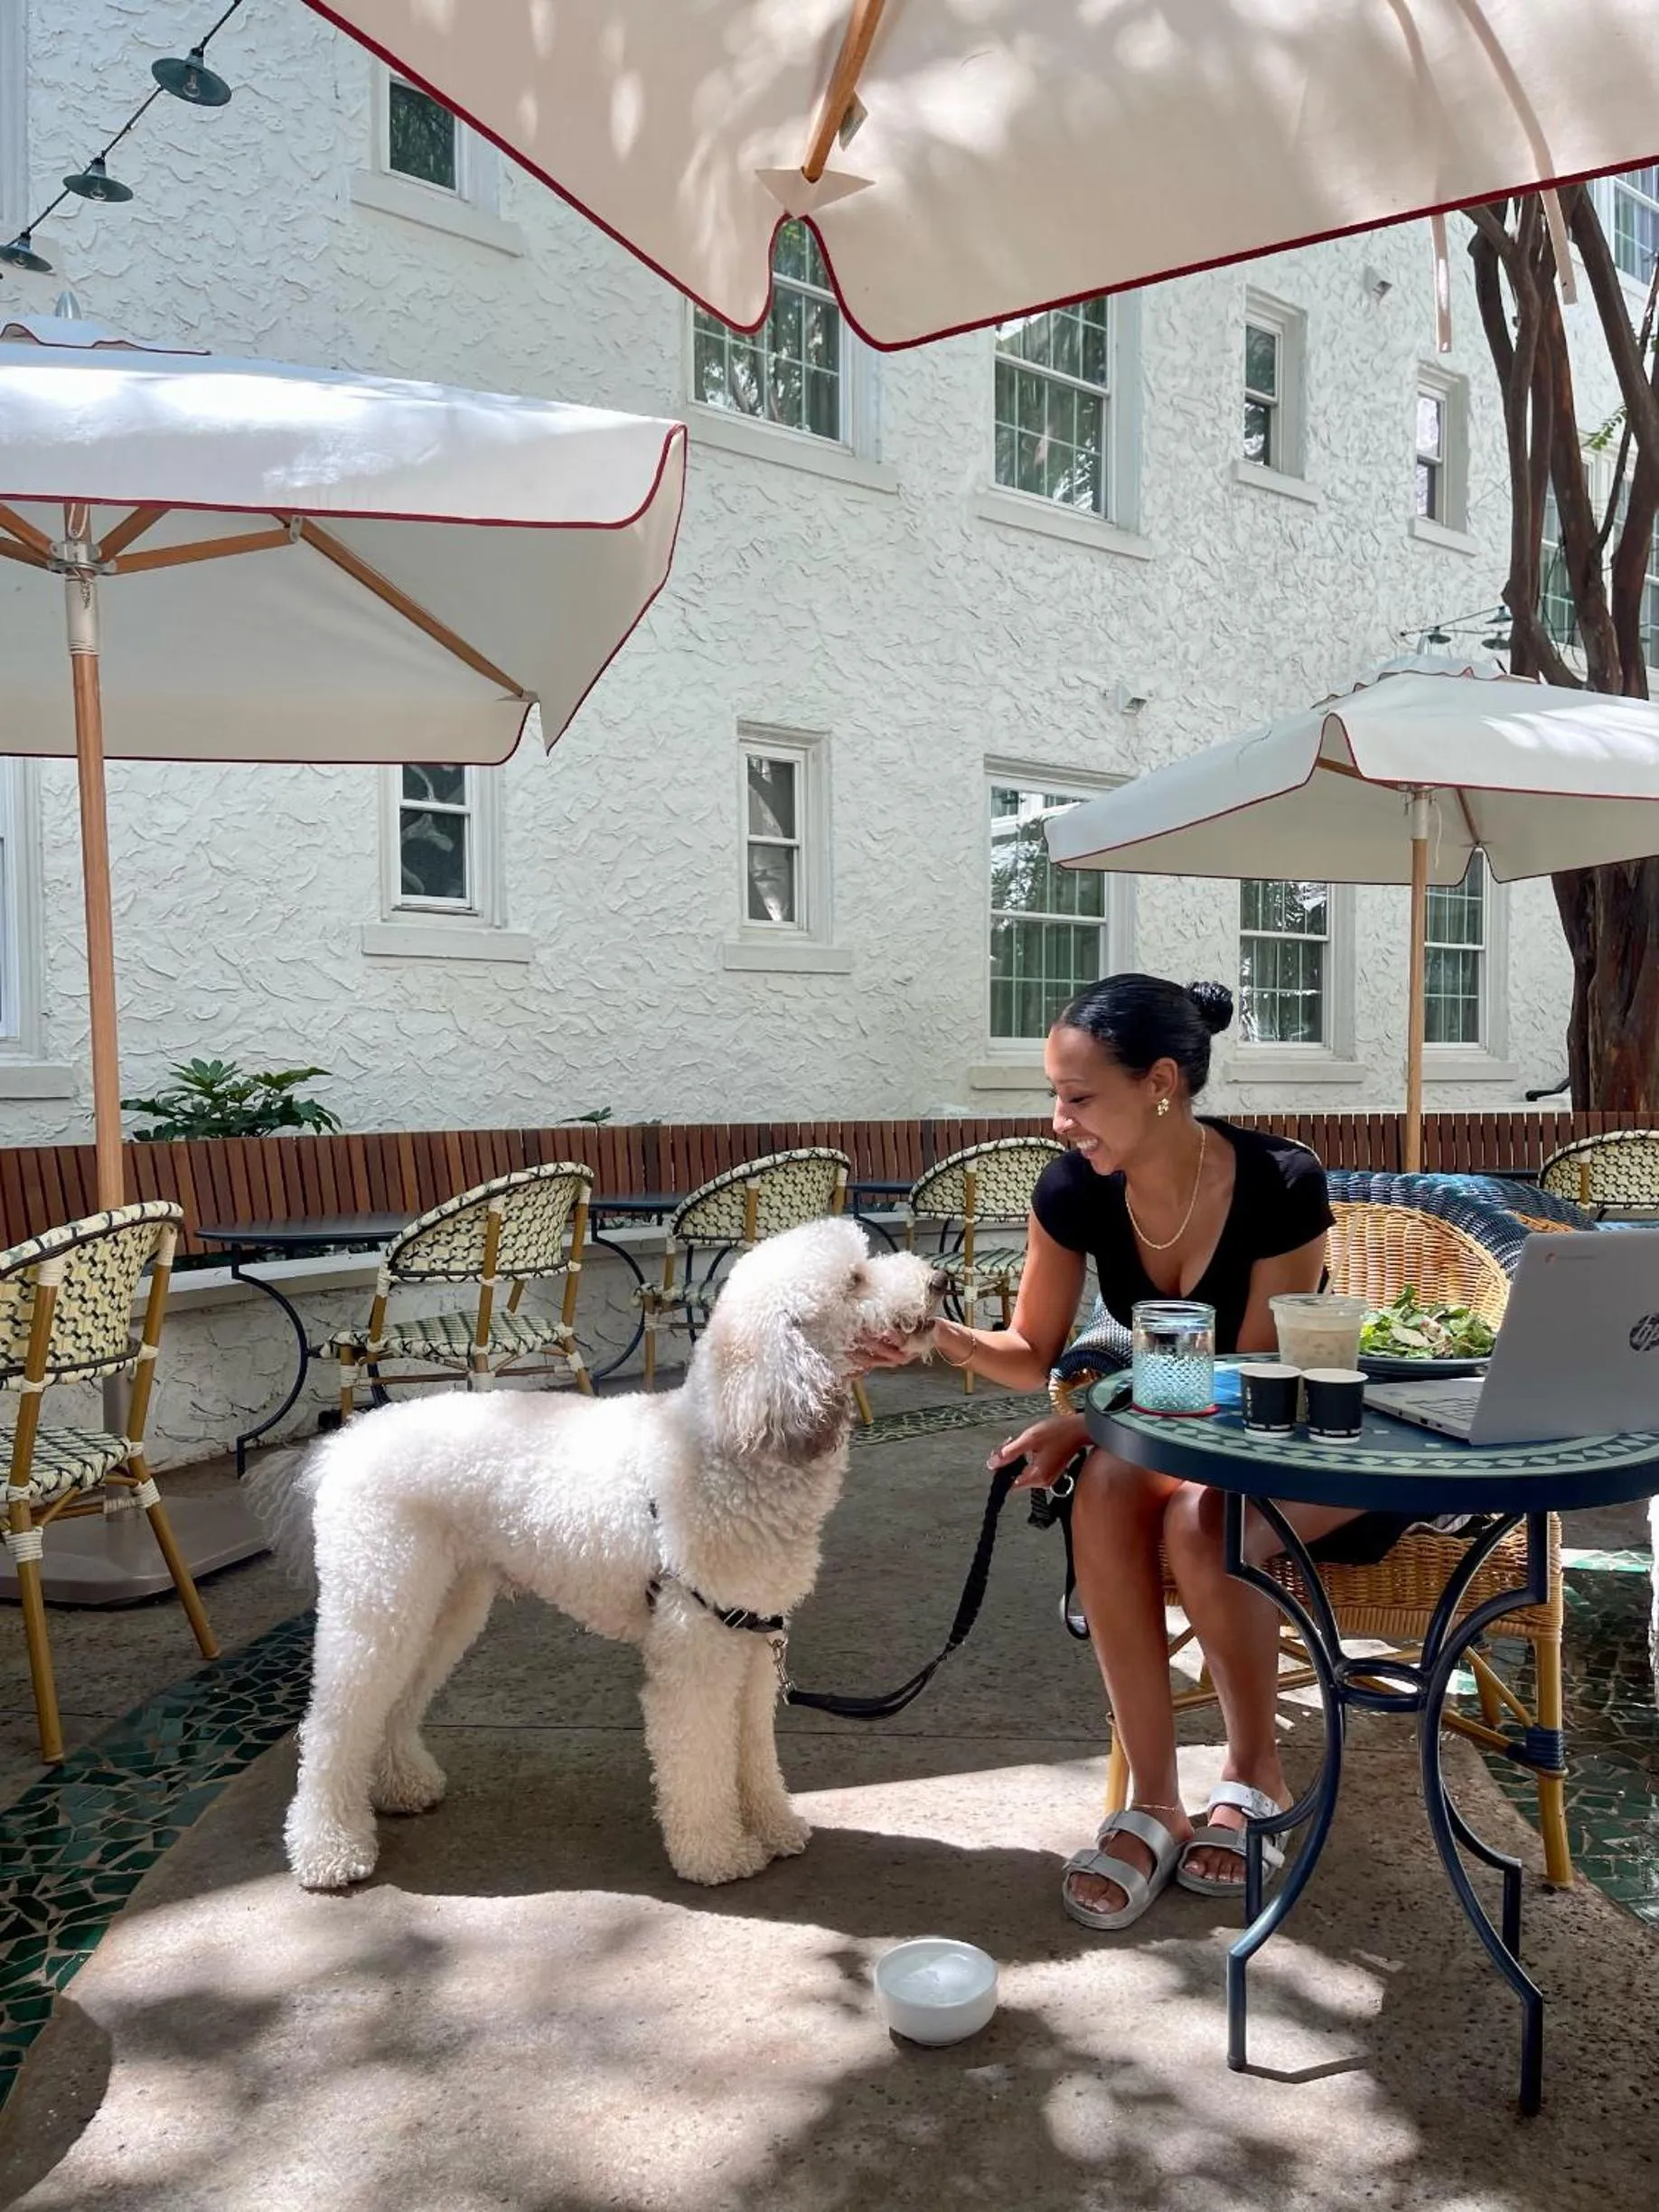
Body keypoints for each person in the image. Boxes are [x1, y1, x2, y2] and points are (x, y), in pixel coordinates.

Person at [863, 973, 1392, 1931]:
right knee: (1106, 1485)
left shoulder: (1282, 1182)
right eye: (1054, 1097)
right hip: (1178, 1426)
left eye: (1078, 1097)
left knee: (1205, 1515)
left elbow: (1256, 1376)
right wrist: (933, 1337)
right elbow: (1031, 1353)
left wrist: (1092, 1411)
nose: (1059, 1122)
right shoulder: (1072, 1190)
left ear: (1158, 1083)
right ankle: (1154, 1799)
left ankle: (1253, 1770)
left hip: (1299, 1443)